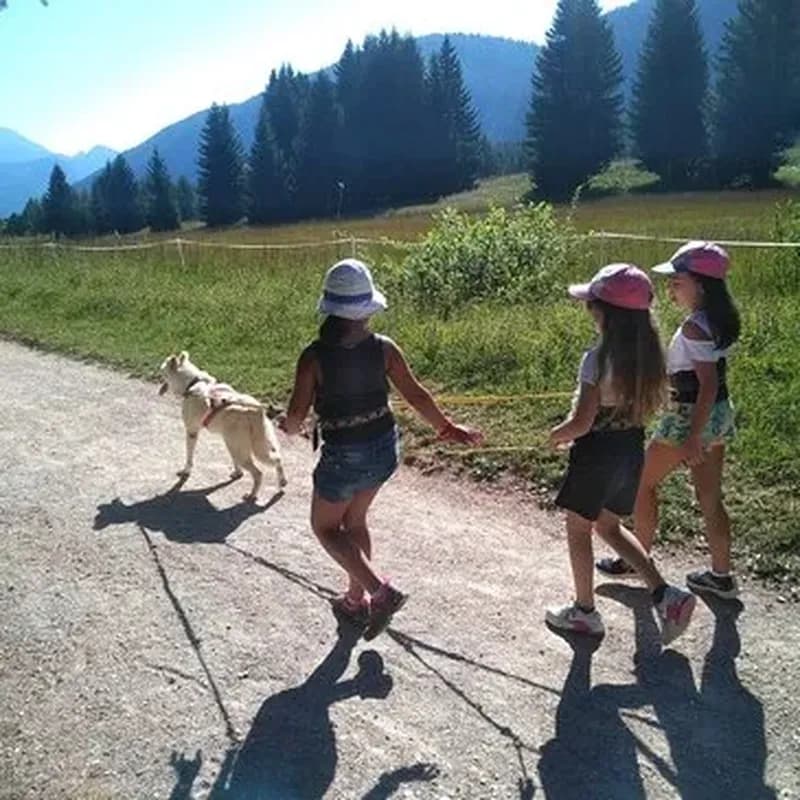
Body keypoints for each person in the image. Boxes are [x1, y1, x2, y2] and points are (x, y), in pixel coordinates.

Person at [280, 258, 482, 640]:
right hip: (383, 449)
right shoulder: (385, 348)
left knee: (324, 527)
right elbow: (416, 394)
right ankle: (354, 602)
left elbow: (294, 419)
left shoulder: (313, 356)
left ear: (330, 308)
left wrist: (285, 426)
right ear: (367, 307)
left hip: (343, 456)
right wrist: (447, 427)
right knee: (354, 523)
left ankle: (380, 593)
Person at [547, 263, 696, 644]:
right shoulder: (650, 356)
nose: (589, 312)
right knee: (608, 525)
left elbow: (582, 422)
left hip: (596, 452)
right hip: (631, 448)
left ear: (603, 313)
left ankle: (583, 612)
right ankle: (666, 594)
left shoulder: (595, 360)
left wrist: (558, 435)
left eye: (591, 306)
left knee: (578, 528)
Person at [596, 242, 741, 600]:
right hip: (718, 416)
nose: (671, 287)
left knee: (641, 484)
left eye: (678, 281)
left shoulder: (695, 327)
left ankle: (636, 557)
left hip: (688, 419)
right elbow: (712, 382)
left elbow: (705, 384)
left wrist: (692, 437)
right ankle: (721, 576)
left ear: (701, 285)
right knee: (710, 497)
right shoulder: (719, 322)